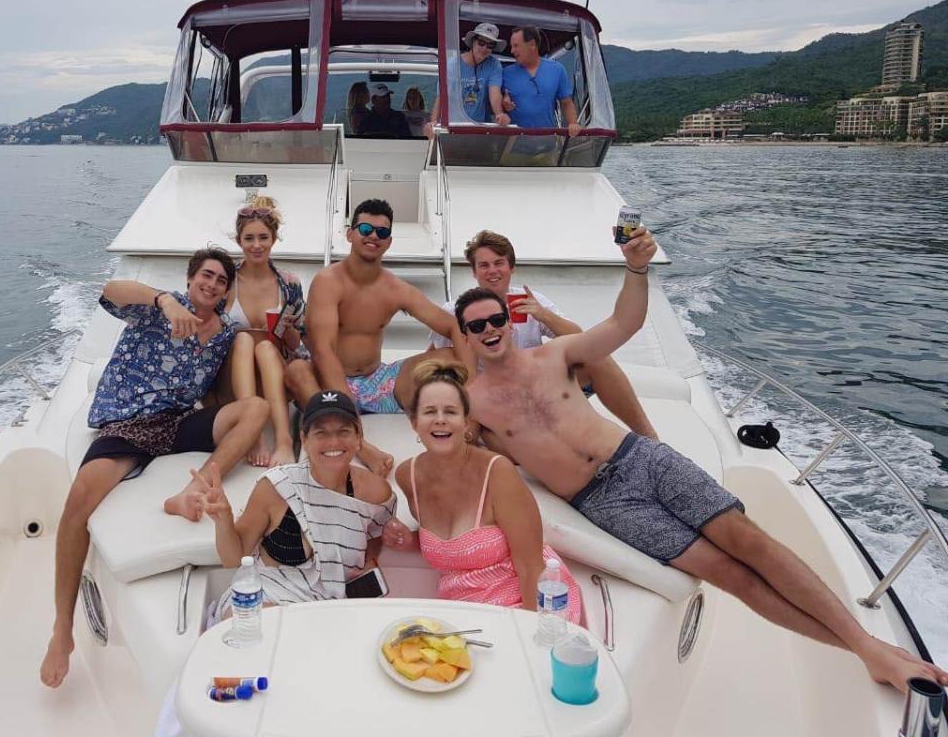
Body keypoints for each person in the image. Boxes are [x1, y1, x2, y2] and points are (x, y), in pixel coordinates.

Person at [455, 230, 948, 693]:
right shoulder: (472, 403)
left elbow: (623, 324)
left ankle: (867, 647)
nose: (490, 329)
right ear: (466, 336)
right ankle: (865, 650)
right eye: (477, 326)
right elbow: (436, 429)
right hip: (601, 501)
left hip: (638, 456)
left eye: (496, 319)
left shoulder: (555, 355)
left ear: (509, 320)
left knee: (746, 539)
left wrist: (637, 270)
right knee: (727, 573)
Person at [40, 248, 270, 689]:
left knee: (254, 408)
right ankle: (62, 630)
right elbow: (110, 291)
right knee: (78, 506)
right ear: (190, 279)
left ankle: (196, 489)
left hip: (180, 422)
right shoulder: (154, 311)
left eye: (222, 280)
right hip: (129, 424)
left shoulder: (226, 334)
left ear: (227, 290)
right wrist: (163, 301)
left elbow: (254, 356)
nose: (213, 285)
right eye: (206, 275)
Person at [382, 360, 583, 619]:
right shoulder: (408, 476)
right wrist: (410, 541)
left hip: (522, 606)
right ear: (414, 423)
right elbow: (449, 544)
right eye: (430, 412)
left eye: (451, 412)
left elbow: (532, 567)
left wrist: (531, 633)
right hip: (459, 615)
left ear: (466, 422)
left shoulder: (497, 473)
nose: (440, 420)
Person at [286, 199, 470, 477]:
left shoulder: (395, 288)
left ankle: (439, 429)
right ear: (350, 234)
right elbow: (323, 351)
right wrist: (349, 414)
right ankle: (357, 444)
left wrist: (476, 390)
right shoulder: (328, 282)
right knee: (297, 370)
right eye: (366, 228)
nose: (373, 236)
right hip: (328, 381)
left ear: (389, 241)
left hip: (378, 381)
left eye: (382, 232)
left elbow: (456, 327)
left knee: (448, 358)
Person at [428, 229, 656, 438]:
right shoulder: (454, 311)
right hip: (492, 399)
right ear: (474, 272)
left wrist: (542, 314)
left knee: (598, 359)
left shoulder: (530, 300)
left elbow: (579, 339)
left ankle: (649, 438)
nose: (492, 271)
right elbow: (438, 359)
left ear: (511, 267)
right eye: (484, 265)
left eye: (499, 263)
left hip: (537, 387)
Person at [197, 389, 395, 615]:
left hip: (333, 608)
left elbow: (375, 536)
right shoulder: (276, 487)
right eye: (321, 433)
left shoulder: (376, 493)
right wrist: (223, 519)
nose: (333, 442)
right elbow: (233, 559)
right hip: (269, 599)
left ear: (358, 438)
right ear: (304, 439)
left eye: (343, 432)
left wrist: (365, 567)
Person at [225, 196, 308, 467]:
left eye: (263, 237)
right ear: (239, 241)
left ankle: (283, 440)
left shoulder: (289, 284)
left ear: (274, 239)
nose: (257, 245)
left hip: (273, 375)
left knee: (264, 346)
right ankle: (255, 435)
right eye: (249, 238)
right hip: (231, 379)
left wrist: (286, 329)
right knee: (243, 340)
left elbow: (297, 344)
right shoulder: (225, 281)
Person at [428, 22, 511, 131]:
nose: (485, 48)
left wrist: (499, 114)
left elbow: (494, 93)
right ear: (473, 42)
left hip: (481, 129)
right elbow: (442, 97)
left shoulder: (494, 64)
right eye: (481, 43)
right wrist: (433, 123)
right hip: (453, 128)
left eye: (490, 45)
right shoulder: (453, 65)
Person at [502, 25, 581, 134]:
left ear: (532, 45)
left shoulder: (557, 70)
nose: (512, 50)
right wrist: (504, 102)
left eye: (516, 46)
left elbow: (566, 102)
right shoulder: (505, 73)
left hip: (547, 143)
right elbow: (495, 102)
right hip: (513, 144)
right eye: (512, 46)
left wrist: (573, 123)